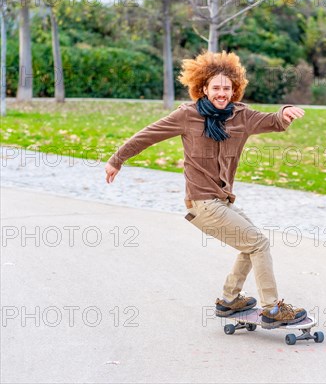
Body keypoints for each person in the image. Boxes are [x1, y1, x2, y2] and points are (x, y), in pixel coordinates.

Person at [105, 50, 307, 327]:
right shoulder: (187, 115)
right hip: (202, 202)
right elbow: (147, 135)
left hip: (222, 201)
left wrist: (285, 113)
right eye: (216, 88)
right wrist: (117, 159)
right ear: (203, 89)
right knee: (257, 243)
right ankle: (272, 308)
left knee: (252, 244)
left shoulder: (241, 115)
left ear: (234, 90)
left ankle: (229, 300)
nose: (222, 93)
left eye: (227, 88)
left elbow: (272, 120)